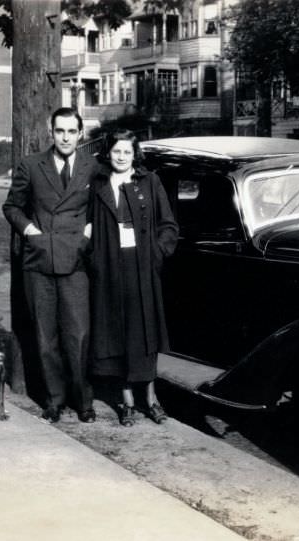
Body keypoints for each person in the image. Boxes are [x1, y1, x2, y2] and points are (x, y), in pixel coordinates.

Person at [2, 107, 97, 424]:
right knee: (45, 337)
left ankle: (83, 401)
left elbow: (101, 209)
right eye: (60, 131)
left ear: (80, 134)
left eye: (72, 131)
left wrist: (87, 234)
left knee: (79, 335)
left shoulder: (92, 168)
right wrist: (31, 232)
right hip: (39, 262)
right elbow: (12, 206)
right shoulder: (31, 165)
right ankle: (53, 400)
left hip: (76, 262)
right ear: (51, 132)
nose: (66, 137)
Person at [87, 130, 178, 426]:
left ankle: (151, 399)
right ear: (108, 153)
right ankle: (126, 401)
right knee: (118, 335)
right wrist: (94, 257)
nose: (121, 157)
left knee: (146, 335)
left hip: (142, 268)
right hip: (110, 269)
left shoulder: (149, 182)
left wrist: (157, 253)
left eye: (127, 152)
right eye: (116, 152)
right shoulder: (98, 184)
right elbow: (86, 225)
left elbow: (169, 225)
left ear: (134, 154)